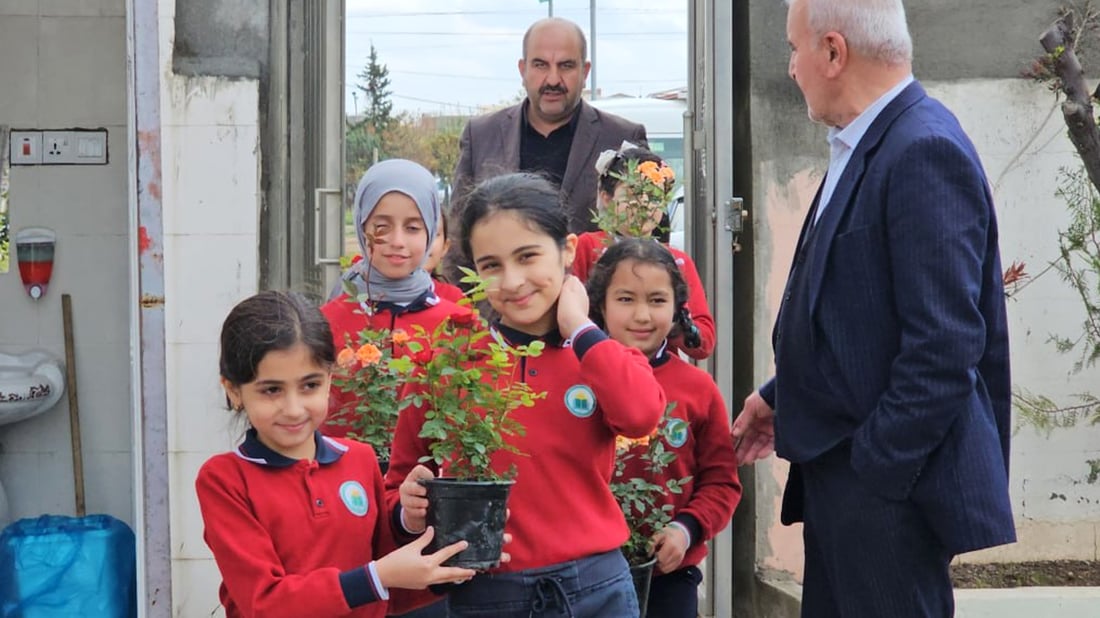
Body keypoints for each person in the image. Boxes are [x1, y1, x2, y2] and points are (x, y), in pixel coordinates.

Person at [730, 0, 1015, 616]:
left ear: (833, 52)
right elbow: (859, 315)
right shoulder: (870, 142)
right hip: (847, 483)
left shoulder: (920, 149)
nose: (789, 68)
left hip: (884, 496)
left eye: (794, 47)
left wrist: (876, 472)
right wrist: (781, 395)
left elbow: (944, 348)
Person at [387, 173, 666, 617]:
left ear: (568, 251)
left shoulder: (600, 352)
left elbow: (640, 415)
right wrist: (408, 511)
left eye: (528, 256)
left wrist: (579, 328)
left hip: (597, 591)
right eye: (491, 265)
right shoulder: (451, 362)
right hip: (486, 594)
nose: (513, 281)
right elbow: (400, 481)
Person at [195, 290, 478, 618]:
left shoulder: (359, 459)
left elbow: (386, 591)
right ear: (233, 391)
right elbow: (265, 603)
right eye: (272, 390)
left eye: (309, 385)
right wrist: (378, 576)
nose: (293, 408)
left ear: (329, 379)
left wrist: (447, 567)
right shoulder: (225, 480)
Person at [587, 239, 741, 618]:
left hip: (669, 576)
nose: (642, 315)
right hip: (584, 574)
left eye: (656, 300)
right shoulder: (575, 381)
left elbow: (722, 482)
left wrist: (685, 529)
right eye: (625, 299)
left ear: (677, 311)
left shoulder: (698, 389)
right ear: (600, 305)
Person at [446, 17, 649, 282]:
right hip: (502, 311)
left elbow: (649, 242)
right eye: (541, 65)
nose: (553, 79)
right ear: (522, 69)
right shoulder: (482, 135)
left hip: (591, 315)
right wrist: (478, 316)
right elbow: (458, 241)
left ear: (585, 72)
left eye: (566, 66)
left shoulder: (622, 138)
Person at [321, 159, 471, 439]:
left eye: (413, 228)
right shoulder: (326, 322)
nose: (397, 241)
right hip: (342, 477)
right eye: (381, 227)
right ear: (360, 223)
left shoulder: (457, 324)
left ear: (431, 231)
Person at [572, 144, 716, 360]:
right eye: (633, 195)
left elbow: (704, 343)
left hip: (658, 375)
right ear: (606, 197)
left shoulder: (676, 261)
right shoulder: (588, 247)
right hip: (596, 365)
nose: (645, 205)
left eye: (655, 196)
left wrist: (675, 321)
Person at [424, 210, 464, 303]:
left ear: (445, 247)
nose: (425, 242)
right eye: (413, 230)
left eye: (434, 234)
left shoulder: (455, 298)